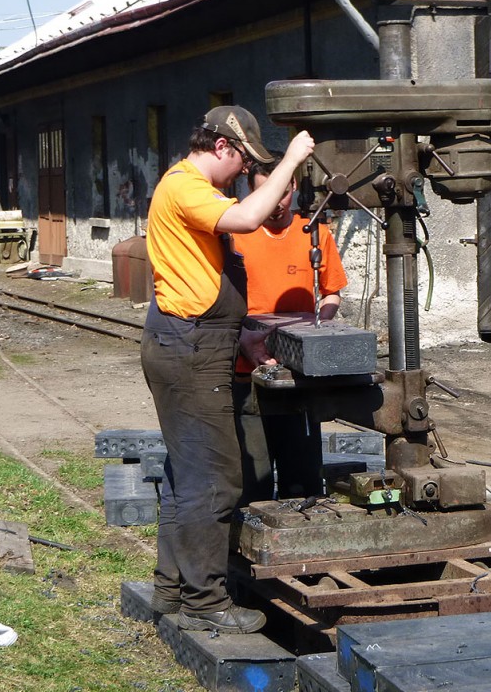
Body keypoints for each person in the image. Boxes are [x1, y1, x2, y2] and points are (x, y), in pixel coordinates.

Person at [140, 105, 314, 635]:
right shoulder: (185, 185)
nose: (243, 173)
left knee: (184, 475)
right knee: (215, 478)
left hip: (190, 340)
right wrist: (293, 160)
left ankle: (173, 589)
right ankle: (206, 602)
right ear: (221, 147)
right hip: (191, 351)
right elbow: (247, 218)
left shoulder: (191, 190)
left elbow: (197, 281)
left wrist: (244, 336)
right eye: (242, 162)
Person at [232, 154, 348, 503]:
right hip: (245, 373)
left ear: (294, 187)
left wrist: (318, 329)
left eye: (281, 192)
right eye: (264, 193)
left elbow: (331, 292)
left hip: (299, 376)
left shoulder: (314, 234)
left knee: (303, 479)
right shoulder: (235, 236)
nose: (276, 203)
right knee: (253, 480)